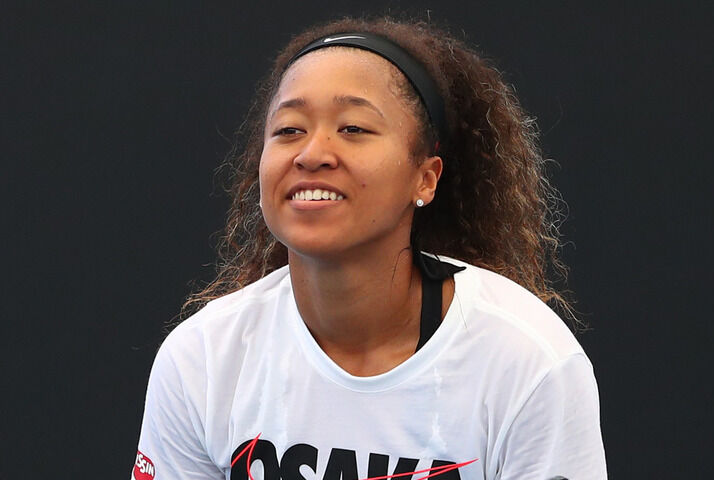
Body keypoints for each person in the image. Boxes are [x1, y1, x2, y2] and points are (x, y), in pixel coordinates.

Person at [132, 16, 607, 480]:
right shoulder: (203, 359)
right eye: (289, 130)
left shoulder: (527, 363)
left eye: (353, 129)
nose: (311, 154)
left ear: (426, 178)